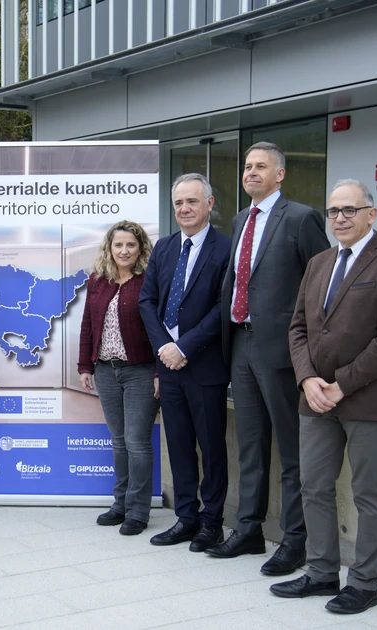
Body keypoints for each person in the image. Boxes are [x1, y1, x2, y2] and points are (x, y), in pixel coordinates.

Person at [271, 180, 377, 614]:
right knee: (314, 487)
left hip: (367, 400)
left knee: (369, 494)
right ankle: (320, 573)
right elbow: (298, 328)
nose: (340, 218)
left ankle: (365, 583)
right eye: (334, 211)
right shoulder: (318, 263)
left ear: (371, 214)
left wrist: (341, 384)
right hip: (316, 398)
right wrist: (307, 380)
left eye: (349, 210)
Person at [208, 142, 331, 574]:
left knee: (293, 449)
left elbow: (321, 286)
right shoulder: (242, 219)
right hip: (240, 344)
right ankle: (249, 530)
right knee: (250, 446)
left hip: (282, 352)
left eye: (261, 167)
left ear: (280, 174)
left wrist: (311, 354)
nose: (251, 173)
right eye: (247, 166)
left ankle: (295, 540)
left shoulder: (301, 217)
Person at [139, 174, 232, 549]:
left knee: (211, 447)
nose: (184, 209)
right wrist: (165, 347)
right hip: (168, 365)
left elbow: (223, 307)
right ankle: (186, 518)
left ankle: (212, 522)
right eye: (179, 203)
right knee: (177, 444)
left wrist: (185, 346)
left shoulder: (226, 248)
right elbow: (147, 302)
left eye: (192, 201)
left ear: (209, 204)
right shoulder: (163, 249)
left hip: (205, 365)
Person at [78, 220, 159, 536]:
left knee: (137, 442)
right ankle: (121, 504)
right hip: (106, 370)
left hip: (140, 370)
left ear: (140, 249)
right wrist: (85, 365)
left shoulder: (150, 281)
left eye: (131, 245)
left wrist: (158, 373)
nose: (124, 250)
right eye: (118, 245)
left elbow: (159, 329)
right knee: (119, 441)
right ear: (109, 248)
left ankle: (138, 511)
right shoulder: (98, 280)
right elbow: (88, 325)